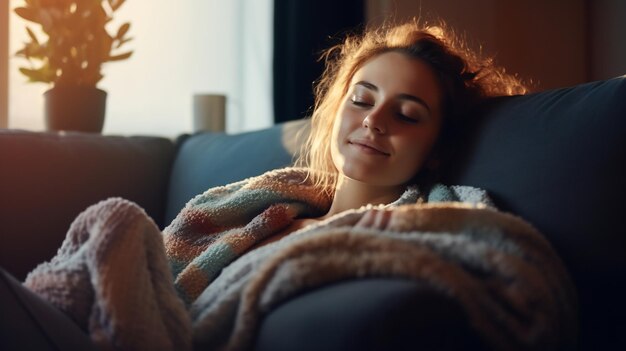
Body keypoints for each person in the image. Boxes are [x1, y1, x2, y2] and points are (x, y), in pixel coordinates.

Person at [16, 19, 576, 351]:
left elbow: (508, 253)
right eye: (362, 100)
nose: (375, 121)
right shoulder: (260, 209)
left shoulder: (426, 223)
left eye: (406, 114)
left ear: (437, 151)